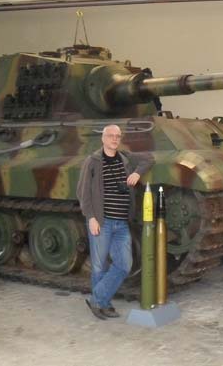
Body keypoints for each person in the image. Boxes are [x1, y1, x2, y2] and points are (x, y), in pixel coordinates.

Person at [76, 124, 154, 320]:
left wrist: (137, 173)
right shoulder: (93, 161)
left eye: (118, 136)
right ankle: (102, 303)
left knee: (124, 265)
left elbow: (149, 158)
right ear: (103, 138)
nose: (114, 139)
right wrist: (91, 218)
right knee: (99, 266)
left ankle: (97, 300)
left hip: (121, 223)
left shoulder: (125, 157)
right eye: (110, 135)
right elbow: (83, 192)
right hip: (102, 221)